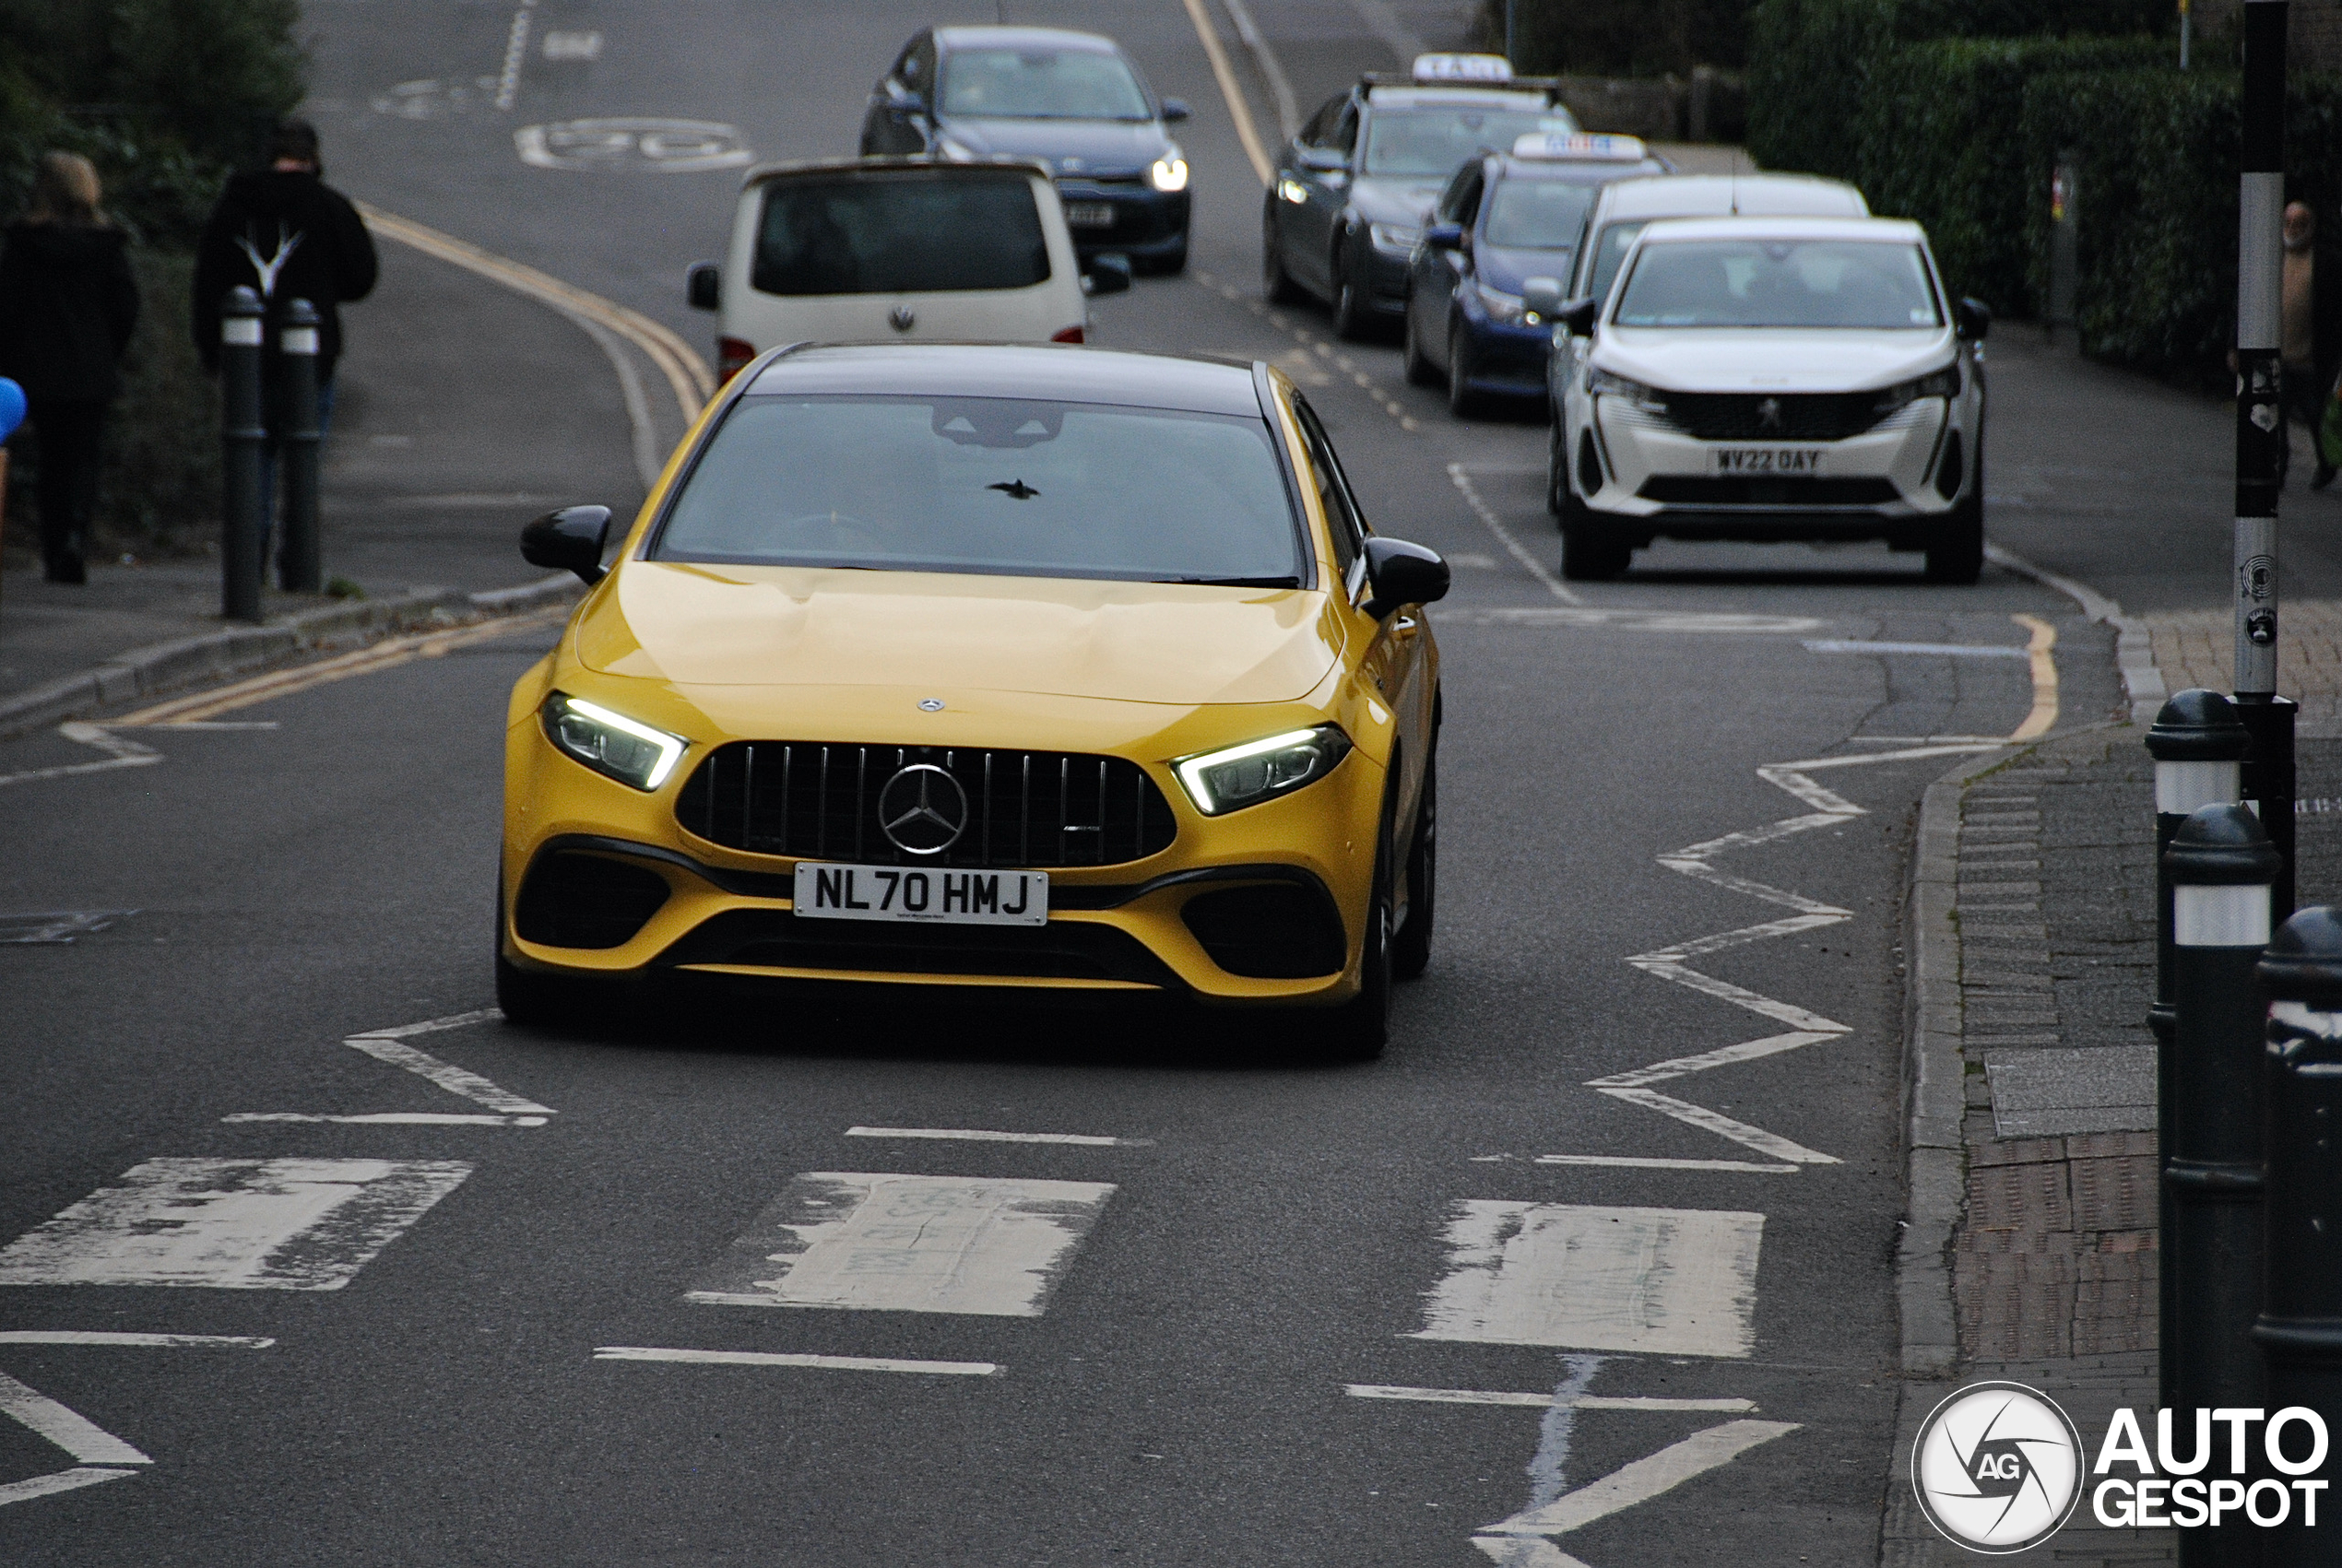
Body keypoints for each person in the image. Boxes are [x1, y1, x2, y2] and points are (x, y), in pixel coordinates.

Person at [193, 118, 378, 582]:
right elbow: (361, 276)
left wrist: (210, 350)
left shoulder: (234, 208)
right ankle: (299, 566)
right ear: (313, 159)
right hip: (310, 358)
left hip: (246, 357)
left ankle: (247, 567)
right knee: (303, 460)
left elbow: (206, 283)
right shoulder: (328, 207)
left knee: (250, 458)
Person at [0, 152, 140, 584]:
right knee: (83, 460)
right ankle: (75, 536)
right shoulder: (107, 245)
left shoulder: (24, 243)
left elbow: (7, 306)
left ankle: (54, 541)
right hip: (91, 370)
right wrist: (107, 351)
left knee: (49, 462)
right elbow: (125, 308)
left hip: (37, 370)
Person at [2277, 199, 2342, 491]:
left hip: (2312, 359)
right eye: (2289, 223)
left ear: (2311, 228)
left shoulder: (2325, 263)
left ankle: (2326, 463)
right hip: (2279, 357)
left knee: (2316, 416)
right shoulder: (2272, 259)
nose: (2293, 229)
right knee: (2275, 416)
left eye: (2300, 223)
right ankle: (2278, 466)